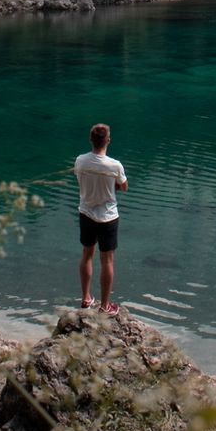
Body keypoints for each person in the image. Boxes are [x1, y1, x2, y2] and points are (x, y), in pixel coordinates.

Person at [74, 123, 128, 315]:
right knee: (107, 261)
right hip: (108, 217)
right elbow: (124, 187)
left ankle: (86, 298)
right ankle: (105, 306)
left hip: (86, 213)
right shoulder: (115, 165)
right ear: (108, 141)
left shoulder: (80, 161)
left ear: (91, 140)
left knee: (87, 254)